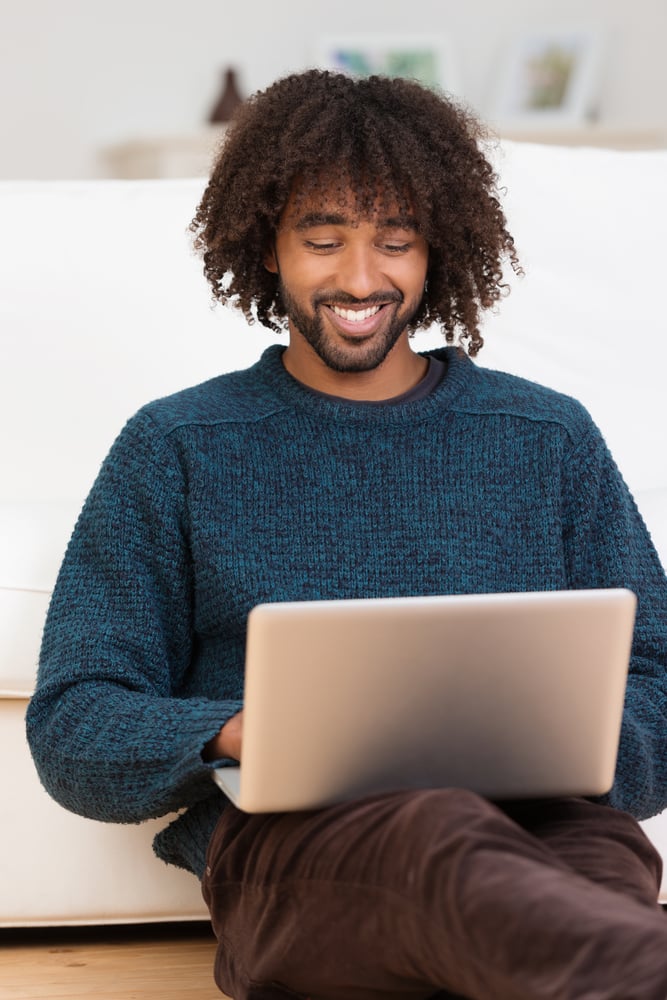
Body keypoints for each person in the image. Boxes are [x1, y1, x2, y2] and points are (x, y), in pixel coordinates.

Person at [26, 69, 667, 1000]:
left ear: (437, 252)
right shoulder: (177, 447)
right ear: (268, 248)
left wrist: (576, 740)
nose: (359, 279)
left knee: (585, 881)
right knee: (444, 848)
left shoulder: (545, 437)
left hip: (548, 825)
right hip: (300, 849)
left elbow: (657, 674)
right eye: (322, 240)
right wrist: (245, 730)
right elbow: (76, 721)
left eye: (394, 243)